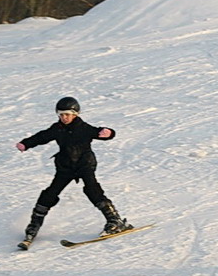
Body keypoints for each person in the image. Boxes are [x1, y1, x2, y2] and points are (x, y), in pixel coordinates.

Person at [15, 97, 132, 246]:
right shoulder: (56, 128)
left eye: (67, 114)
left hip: (85, 165)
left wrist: (108, 133)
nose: (64, 118)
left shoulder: (83, 128)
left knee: (92, 189)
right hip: (65, 167)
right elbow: (41, 137)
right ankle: (34, 225)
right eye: (61, 114)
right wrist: (26, 144)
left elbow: (99, 132)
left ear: (75, 114)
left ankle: (115, 220)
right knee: (50, 193)